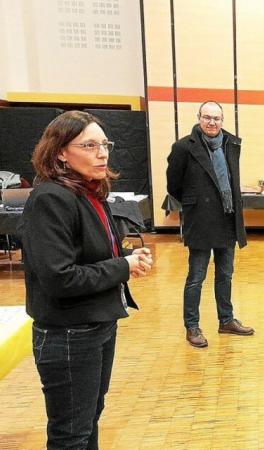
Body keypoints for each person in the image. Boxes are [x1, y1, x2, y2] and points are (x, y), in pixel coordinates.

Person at [21, 110, 153, 449]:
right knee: (71, 435)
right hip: (69, 334)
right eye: (90, 145)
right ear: (61, 152)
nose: (102, 152)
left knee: (88, 420)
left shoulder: (88, 191)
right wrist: (122, 266)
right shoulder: (50, 198)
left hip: (97, 324)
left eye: (104, 144)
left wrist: (126, 255)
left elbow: (93, 250)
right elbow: (59, 277)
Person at [166, 101, 253, 348]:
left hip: (228, 218)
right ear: (199, 118)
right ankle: (191, 326)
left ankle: (226, 320)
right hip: (201, 220)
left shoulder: (231, 143)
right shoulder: (184, 147)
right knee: (196, 277)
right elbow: (174, 185)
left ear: (222, 120)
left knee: (225, 275)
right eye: (207, 117)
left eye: (217, 118)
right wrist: (196, 202)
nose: (212, 122)